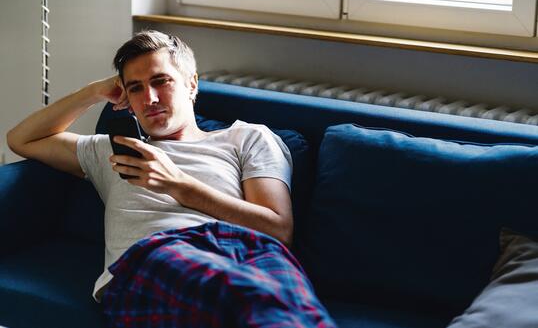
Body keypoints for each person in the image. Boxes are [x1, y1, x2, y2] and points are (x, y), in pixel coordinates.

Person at [7, 30, 336, 327]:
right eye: (135, 88)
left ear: (192, 83)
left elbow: (278, 229)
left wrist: (176, 184)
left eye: (160, 81)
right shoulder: (115, 149)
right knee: (252, 301)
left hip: (253, 252)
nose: (148, 98)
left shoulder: (248, 139)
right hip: (155, 254)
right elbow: (21, 139)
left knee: (288, 311)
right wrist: (92, 92)